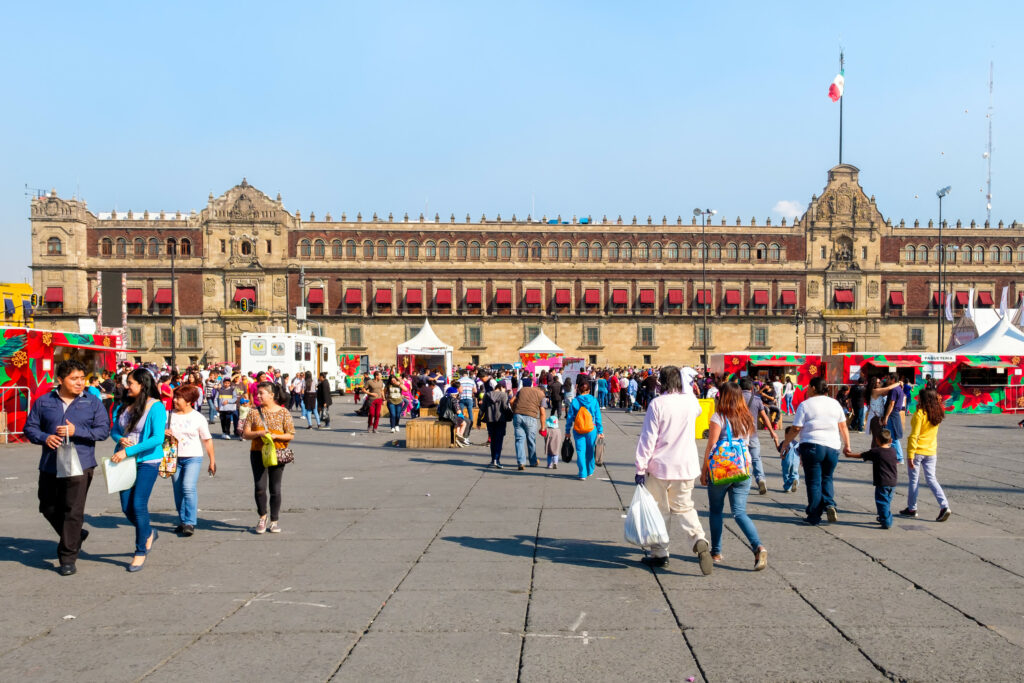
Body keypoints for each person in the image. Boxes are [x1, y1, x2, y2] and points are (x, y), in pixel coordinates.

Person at [24, 360, 111, 576]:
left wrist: (77, 430)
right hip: (50, 463)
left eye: (82, 378)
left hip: (80, 463)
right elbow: (30, 427)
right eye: (74, 379)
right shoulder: (44, 402)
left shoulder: (92, 402)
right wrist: (45, 437)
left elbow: (103, 431)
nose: (80, 382)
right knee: (47, 506)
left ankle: (67, 556)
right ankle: (75, 534)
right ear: (60, 380)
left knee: (73, 510)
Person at [633, 366, 713, 575]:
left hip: (660, 466)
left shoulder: (657, 404)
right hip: (686, 465)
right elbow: (693, 403)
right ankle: (698, 539)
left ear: (661, 382)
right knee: (685, 506)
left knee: (660, 510)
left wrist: (640, 466)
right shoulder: (691, 403)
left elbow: (648, 438)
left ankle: (659, 554)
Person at [700, 382, 767, 570]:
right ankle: (758, 546)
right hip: (743, 469)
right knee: (739, 513)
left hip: (722, 470)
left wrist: (704, 470)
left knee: (716, 511)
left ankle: (716, 552)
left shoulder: (718, 417)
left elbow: (711, 446)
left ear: (722, 396)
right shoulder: (746, 417)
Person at [110, 368, 168, 572]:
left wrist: (129, 451)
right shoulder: (123, 406)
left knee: (138, 504)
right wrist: (120, 439)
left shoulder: (156, 407)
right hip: (124, 460)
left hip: (147, 461)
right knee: (126, 507)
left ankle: (140, 551)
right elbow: (115, 430)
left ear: (142, 384)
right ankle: (149, 531)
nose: (127, 386)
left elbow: (157, 438)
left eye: (131, 383)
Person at [778, 377, 853, 526]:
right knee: (827, 477)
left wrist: (785, 444)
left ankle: (814, 515)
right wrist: (847, 445)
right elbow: (843, 426)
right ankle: (830, 504)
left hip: (812, 446)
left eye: (808, 387)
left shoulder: (805, 405)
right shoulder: (835, 403)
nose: (806, 390)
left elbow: (796, 428)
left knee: (813, 482)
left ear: (813, 387)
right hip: (832, 446)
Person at [241, 381, 296, 534]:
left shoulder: (284, 412)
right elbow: (245, 433)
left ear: (271, 395)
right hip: (258, 452)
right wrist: (258, 433)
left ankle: (274, 520)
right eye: (257, 393)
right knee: (259, 487)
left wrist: (275, 436)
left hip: (278, 452)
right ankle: (262, 517)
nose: (257, 396)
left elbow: (290, 434)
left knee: (275, 488)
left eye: (261, 393)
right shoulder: (253, 412)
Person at [167, 384, 216, 536]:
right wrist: (163, 433)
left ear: (189, 401)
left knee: (188, 487)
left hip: (193, 457)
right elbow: (156, 435)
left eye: (179, 398)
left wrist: (212, 461)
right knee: (178, 490)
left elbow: (207, 440)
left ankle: (190, 522)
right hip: (173, 457)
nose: (175, 400)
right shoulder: (168, 415)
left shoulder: (198, 418)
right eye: (175, 397)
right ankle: (182, 521)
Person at [900, 387, 951, 522]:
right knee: (931, 479)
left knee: (914, 480)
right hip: (931, 451)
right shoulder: (937, 413)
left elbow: (914, 436)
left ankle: (912, 508)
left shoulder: (920, 414)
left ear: (923, 399)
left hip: (917, 451)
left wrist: (910, 454)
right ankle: (944, 505)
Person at [846, 427, 899, 529]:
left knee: (882, 502)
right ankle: (884, 517)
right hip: (893, 482)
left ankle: (887, 521)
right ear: (891, 440)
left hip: (882, 482)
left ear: (877, 440)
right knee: (887, 501)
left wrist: (849, 455)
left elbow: (862, 455)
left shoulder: (876, 451)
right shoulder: (893, 451)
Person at [739, 377, 779, 495]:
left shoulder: (735, 399)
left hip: (739, 434)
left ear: (739, 387)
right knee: (756, 458)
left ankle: (743, 481)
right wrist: (772, 431)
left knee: (741, 458)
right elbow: (764, 417)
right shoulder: (756, 400)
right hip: (753, 434)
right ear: (752, 388)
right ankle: (761, 479)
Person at [565, 377, 604, 480]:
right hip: (592, 428)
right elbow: (598, 416)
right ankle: (590, 470)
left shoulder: (575, 401)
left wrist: (567, 431)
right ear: (589, 390)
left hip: (578, 429)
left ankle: (582, 473)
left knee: (580, 451)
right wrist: (600, 431)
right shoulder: (594, 400)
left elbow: (569, 417)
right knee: (590, 450)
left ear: (578, 390)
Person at [511, 376, 546, 470]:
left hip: (517, 416)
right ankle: (533, 461)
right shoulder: (541, 395)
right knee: (531, 440)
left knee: (519, 440)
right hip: (531, 417)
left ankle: (521, 462)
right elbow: (542, 412)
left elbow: (511, 401)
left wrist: (514, 410)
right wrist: (543, 427)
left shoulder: (521, 391)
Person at [481, 380, 511, 467]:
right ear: (501, 388)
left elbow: (482, 408)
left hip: (489, 420)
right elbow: (505, 407)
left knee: (493, 440)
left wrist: (479, 420)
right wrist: (511, 415)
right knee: (499, 440)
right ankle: (496, 459)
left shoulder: (487, 395)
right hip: (500, 420)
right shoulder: (503, 395)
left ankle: (493, 459)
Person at [779, 425, 800, 493]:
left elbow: (780, 449)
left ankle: (787, 487)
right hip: (796, 461)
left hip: (787, 460)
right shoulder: (797, 444)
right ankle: (795, 480)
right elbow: (800, 453)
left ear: (786, 434)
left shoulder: (784, 443)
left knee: (786, 474)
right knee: (794, 473)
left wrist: (776, 441)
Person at [457, 370, 477, 441]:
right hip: (469, 398)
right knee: (470, 412)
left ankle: (462, 425)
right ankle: (470, 426)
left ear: (462, 374)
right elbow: (475, 391)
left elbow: (457, 390)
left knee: (460, 413)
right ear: (467, 374)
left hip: (461, 398)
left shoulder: (459, 381)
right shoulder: (472, 381)